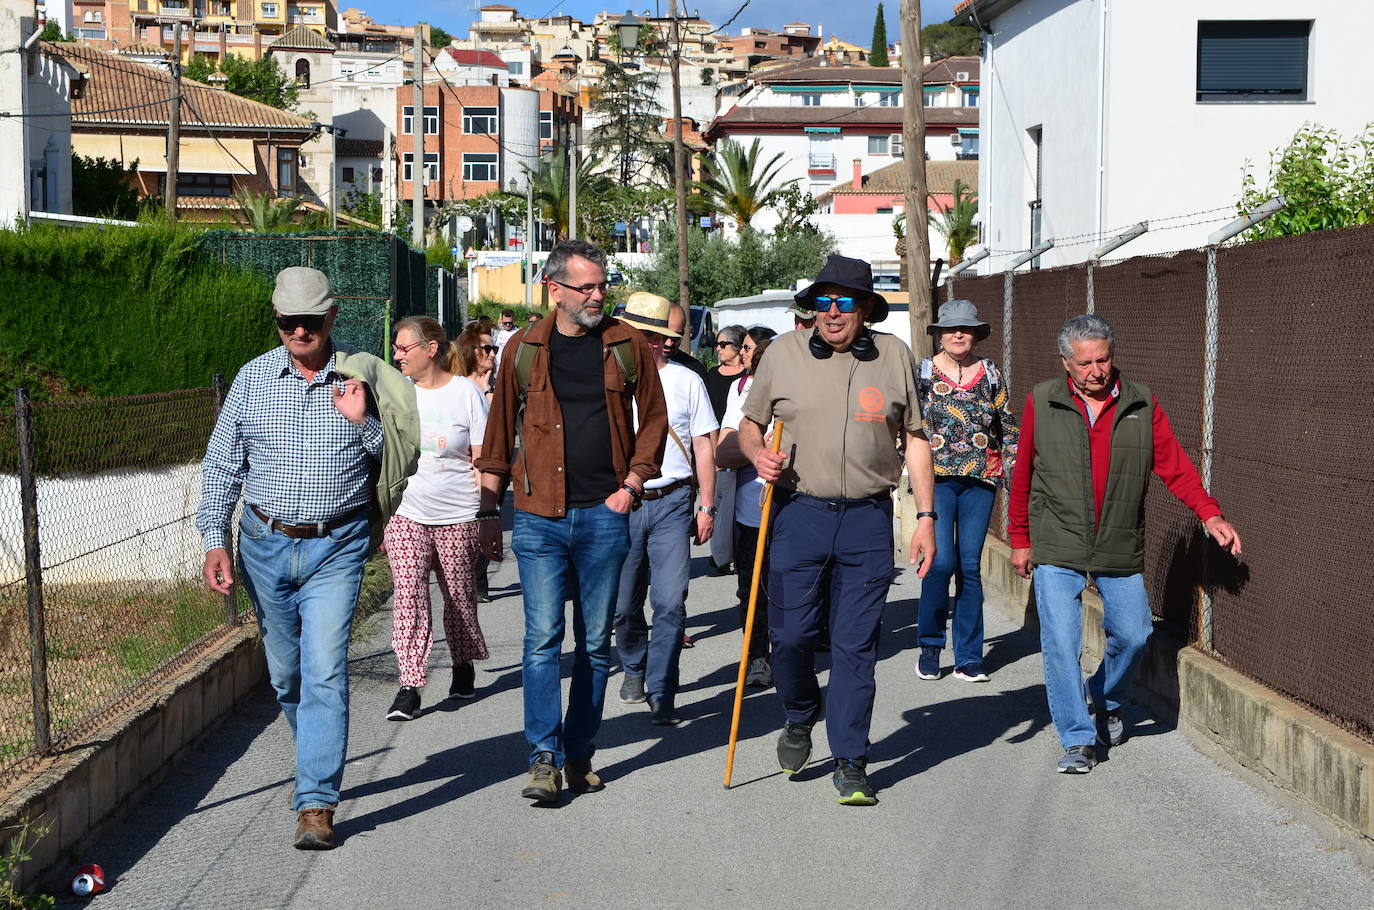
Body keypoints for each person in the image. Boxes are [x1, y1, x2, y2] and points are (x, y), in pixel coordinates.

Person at [197, 266, 418, 850]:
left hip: (337, 547)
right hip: (264, 547)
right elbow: (223, 466)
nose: (299, 331)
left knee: (324, 670)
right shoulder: (252, 381)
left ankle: (316, 800)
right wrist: (214, 539)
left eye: (311, 322)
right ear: (277, 321)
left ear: (331, 319)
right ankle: (313, 757)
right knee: (287, 675)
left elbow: (396, 457)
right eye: (288, 322)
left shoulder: (358, 377)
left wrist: (363, 421)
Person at [475, 239, 668, 804]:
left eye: (601, 284)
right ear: (553, 290)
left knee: (595, 645)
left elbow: (653, 419)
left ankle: (579, 752)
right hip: (537, 519)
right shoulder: (523, 349)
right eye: (585, 286)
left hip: (605, 515)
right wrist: (490, 513)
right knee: (541, 640)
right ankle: (542, 756)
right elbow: (495, 440)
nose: (597, 295)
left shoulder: (626, 344)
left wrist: (632, 484)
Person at [739, 254, 936, 806]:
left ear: (866, 308)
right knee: (792, 638)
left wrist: (925, 517)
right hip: (798, 514)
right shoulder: (782, 353)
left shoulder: (895, 356)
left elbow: (916, 438)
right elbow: (750, 426)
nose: (830, 311)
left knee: (855, 648)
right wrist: (758, 458)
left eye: (843, 301)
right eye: (822, 301)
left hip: (868, 520)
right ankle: (801, 713)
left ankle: (851, 760)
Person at [1009, 314, 1242, 774]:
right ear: (1066, 363)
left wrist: (1209, 512)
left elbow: (1174, 464)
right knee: (1060, 641)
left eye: (1104, 358)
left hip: (1118, 539)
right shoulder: (1042, 400)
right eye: (1085, 363)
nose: (1097, 370)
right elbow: (1021, 476)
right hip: (1057, 539)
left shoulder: (1140, 401)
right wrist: (1019, 537)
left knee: (1135, 634)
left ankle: (1105, 696)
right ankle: (1077, 738)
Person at [613, 292, 718, 726]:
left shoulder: (686, 381)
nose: (653, 344)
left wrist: (707, 504)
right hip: (621, 503)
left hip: (673, 501)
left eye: (659, 338)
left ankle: (662, 687)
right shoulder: (610, 381)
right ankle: (634, 665)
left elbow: (704, 445)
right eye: (643, 335)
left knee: (671, 601)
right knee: (622, 605)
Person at [383, 316, 491, 721]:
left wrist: (489, 512)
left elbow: (482, 459)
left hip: (458, 513)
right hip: (407, 513)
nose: (396, 355)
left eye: (403, 348)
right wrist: (382, 518)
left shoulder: (465, 394)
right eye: (395, 348)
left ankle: (462, 664)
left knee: (459, 597)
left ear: (430, 349)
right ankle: (409, 685)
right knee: (409, 597)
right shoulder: (397, 395)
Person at [915, 300, 1020, 683]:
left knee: (970, 566)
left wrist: (1014, 472)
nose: (957, 334)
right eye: (950, 329)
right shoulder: (922, 373)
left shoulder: (992, 373)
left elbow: (1008, 426)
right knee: (939, 563)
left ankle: (969, 657)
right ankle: (929, 645)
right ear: (940, 334)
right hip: (935, 479)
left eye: (965, 328)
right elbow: (907, 427)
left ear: (976, 333)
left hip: (981, 479)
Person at [715, 333, 776, 688]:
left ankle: (789, 652)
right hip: (751, 511)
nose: (744, 353)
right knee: (752, 589)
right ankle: (757, 657)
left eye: (751, 349)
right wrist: (758, 449)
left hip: (795, 509)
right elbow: (723, 453)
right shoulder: (741, 391)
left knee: (787, 588)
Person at [458, 322, 498, 602]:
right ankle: (470, 583)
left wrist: (487, 391)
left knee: (487, 522)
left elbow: (502, 424)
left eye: (494, 348)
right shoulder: (457, 385)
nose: (493, 354)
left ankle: (478, 584)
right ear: (471, 352)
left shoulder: (495, 385)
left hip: (492, 467)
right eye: (487, 348)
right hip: (461, 471)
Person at [705, 324, 748, 576]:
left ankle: (732, 551)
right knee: (719, 501)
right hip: (716, 443)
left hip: (738, 445)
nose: (718, 349)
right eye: (717, 344)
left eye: (724, 344)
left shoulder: (747, 379)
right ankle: (720, 553)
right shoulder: (712, 374)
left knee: (737, 501)